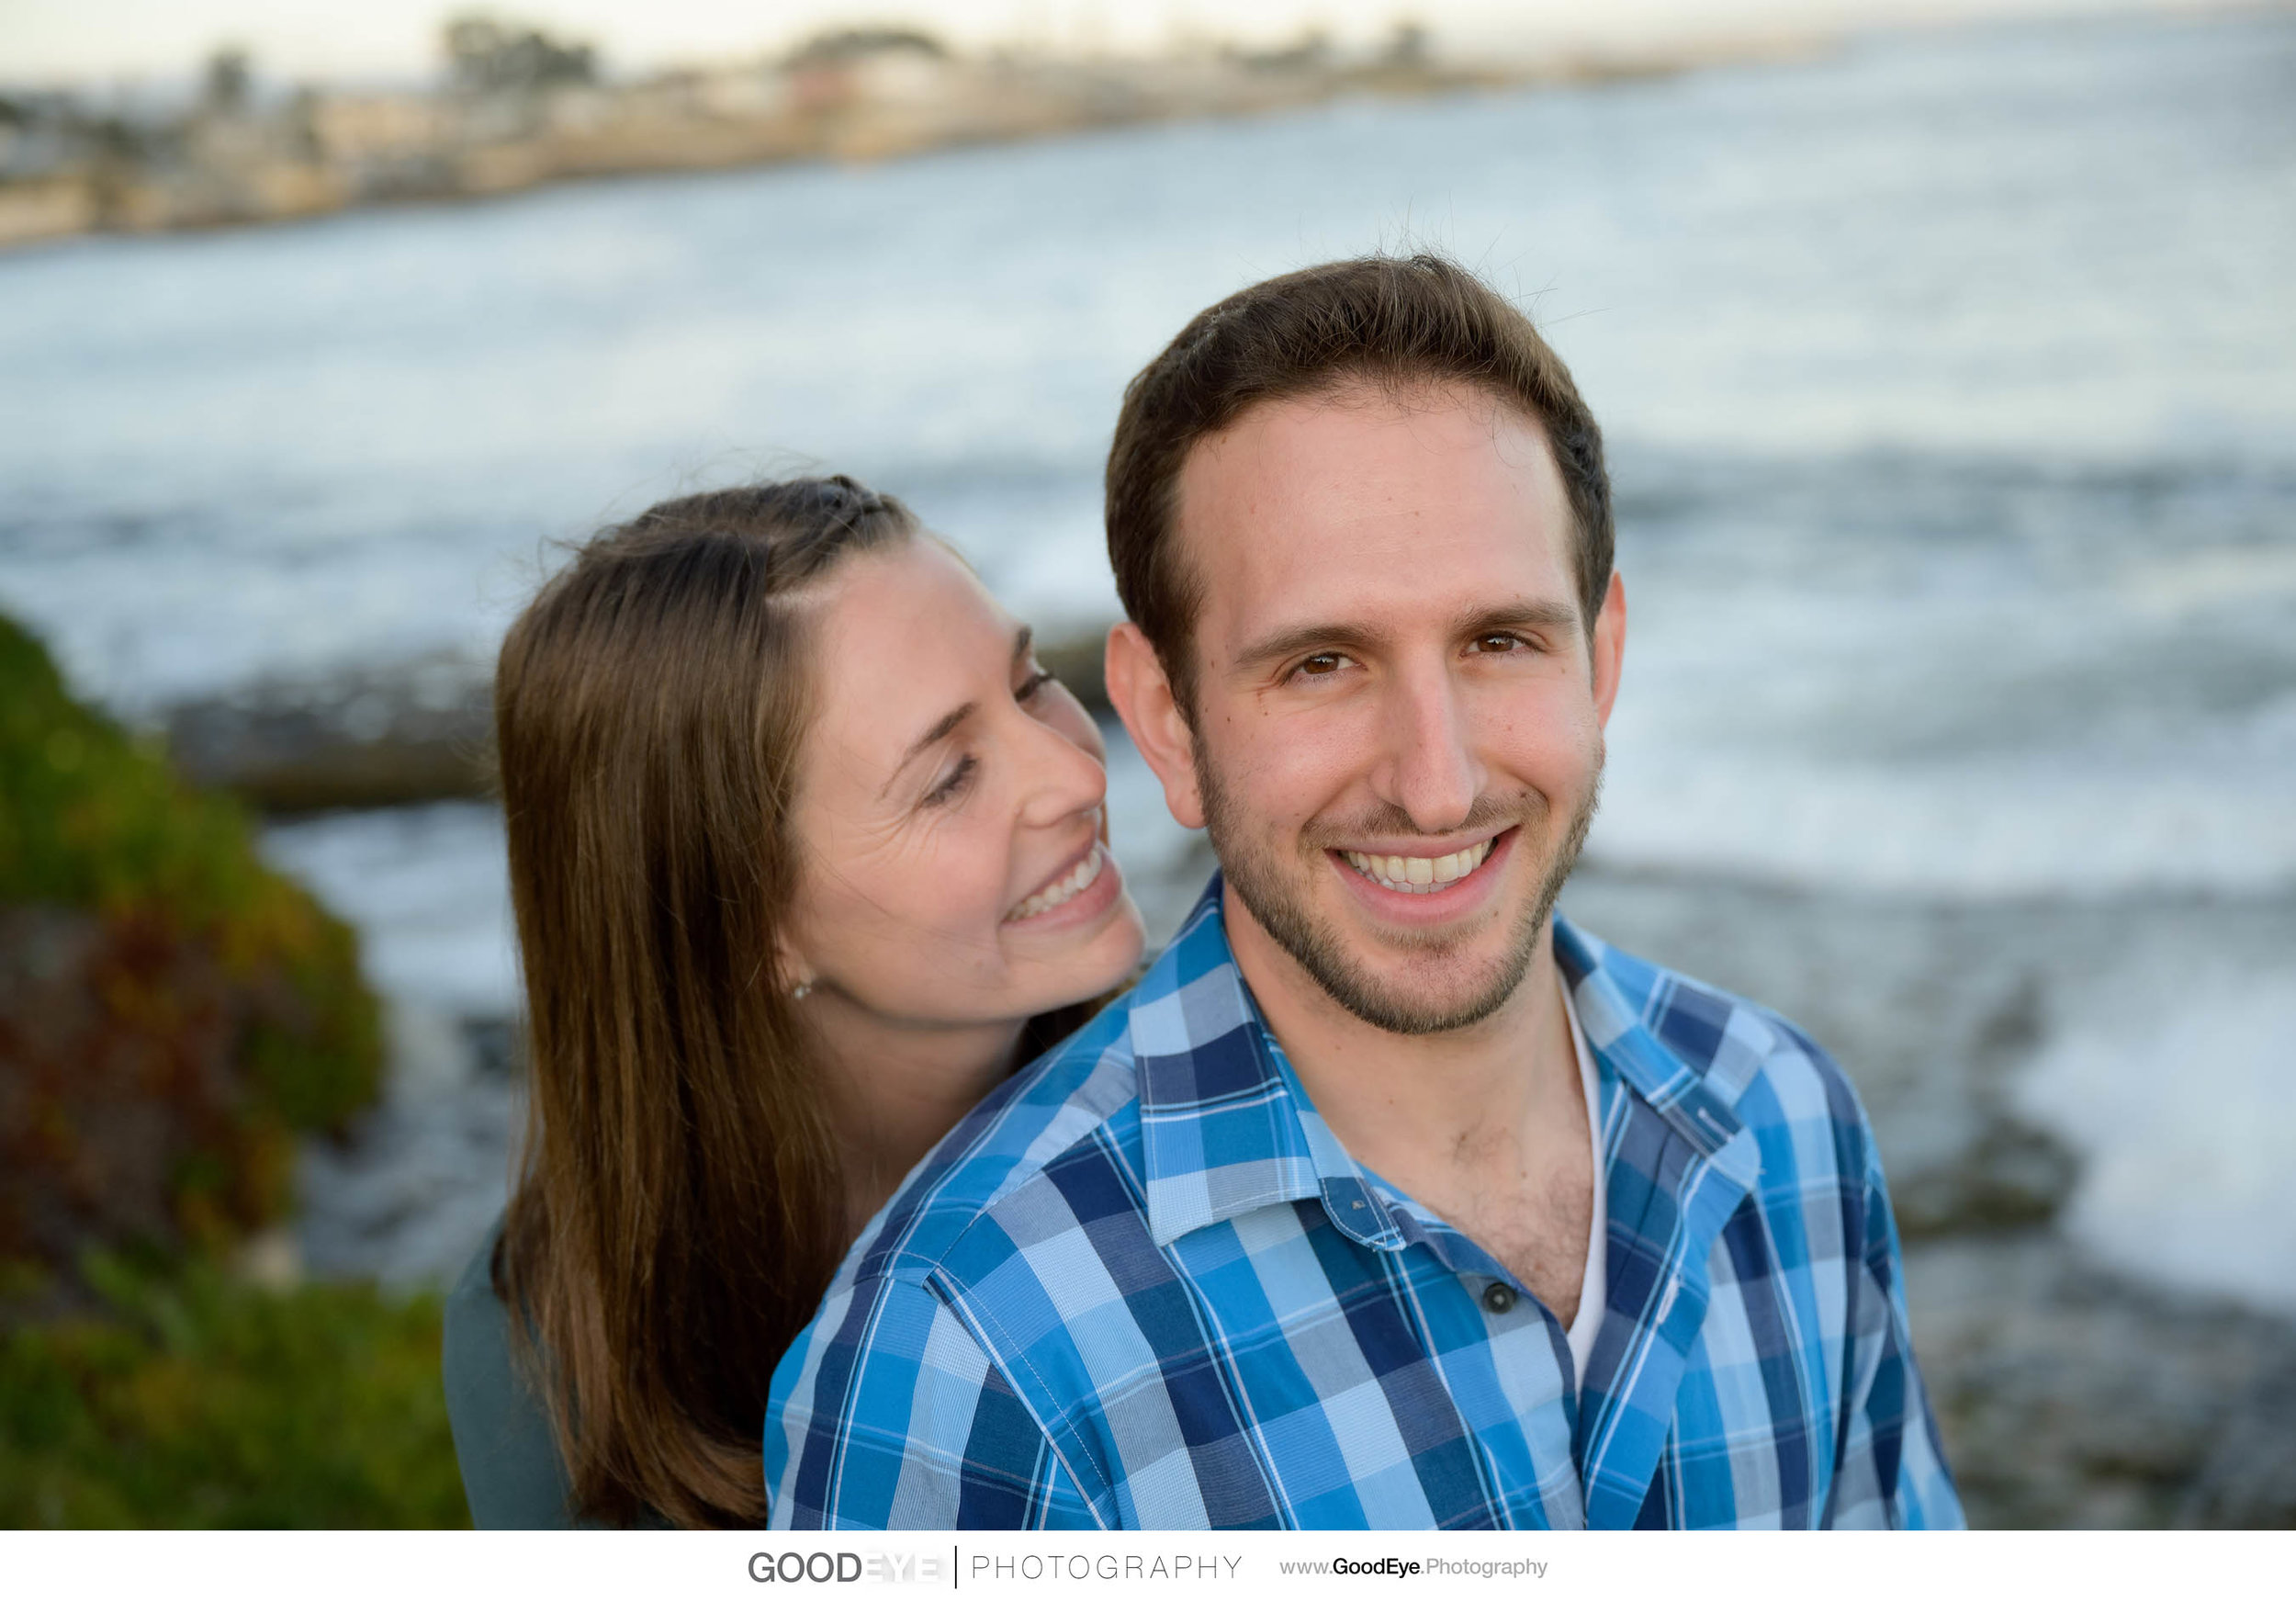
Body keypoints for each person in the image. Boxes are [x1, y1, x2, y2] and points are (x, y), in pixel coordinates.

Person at [764, 256, 1964, 1530]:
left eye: (1500, 642)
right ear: (1165, 721)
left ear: (1600, 659)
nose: (1437, 788)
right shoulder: (968, 1356)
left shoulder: (1787, 1120)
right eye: (1322, 664)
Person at [442, 478, 1146, 1528]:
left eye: (1032, 680)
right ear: (748, 919)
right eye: (950, 775)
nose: (1075, 772)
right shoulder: (547, 1330)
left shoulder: (1222, 1121)